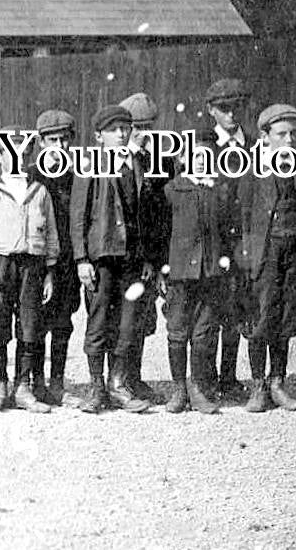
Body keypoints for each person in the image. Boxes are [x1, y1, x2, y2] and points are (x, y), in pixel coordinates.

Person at [70, 105, 160, 414]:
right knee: (98, 321)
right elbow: (78, 216)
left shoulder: (138, 163)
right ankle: (97, 388)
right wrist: (82, 258)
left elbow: (145, 215)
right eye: (114, 130)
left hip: (132, 259)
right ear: (99, 136)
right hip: (101, 258)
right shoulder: (90, 165)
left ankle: (118, 384)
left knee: (127, 322)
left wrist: (147, 257)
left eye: (125, 128)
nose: (121, 134)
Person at [236, 104, 296, 412]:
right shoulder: (250, 169)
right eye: (281, 134)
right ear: (264, 136)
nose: (288, 140)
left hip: (293, 253)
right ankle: (258, 385)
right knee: (261, 317)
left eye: (292, 134)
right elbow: (240, 216)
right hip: (263, 255)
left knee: (286, 317)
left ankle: (278, 382)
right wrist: (242, 261)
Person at [0, 126, 57, 414]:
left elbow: (51, 235)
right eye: (11, 154)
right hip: (0, 266)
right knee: (0, 325)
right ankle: (1, 385)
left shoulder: (40, 192)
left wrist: (49, 271)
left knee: (29, 324)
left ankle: (23, 386)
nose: (18, 159)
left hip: (32, 266)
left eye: (24, 154)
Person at [162, 128, 236, 414]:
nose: (202, 161)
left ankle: (198, 387)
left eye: (206, 155)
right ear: (183, 158)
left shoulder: (219, 191)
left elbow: (229, 232)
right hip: (180, 274)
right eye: (195, 155)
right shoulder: (172, 191)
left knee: (204, 332)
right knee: (177, 331)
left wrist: (225, 265)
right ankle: (179, 389)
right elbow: (161, 234)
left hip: (210, 273)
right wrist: (162, 271)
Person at [118, 92, 172, 405]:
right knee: (119, 321)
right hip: (121, 258)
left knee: (141, 318)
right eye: (136, 126)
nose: (142, 133)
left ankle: (134, 378)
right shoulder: (114, 164)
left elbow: (162, 215)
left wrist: (157, 260)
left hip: (147, 258)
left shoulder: (159, 163)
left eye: (148, 126)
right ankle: (118, 380)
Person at [203, 78, 251, 401]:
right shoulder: (202, 146)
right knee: (209, 311)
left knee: (236, 309)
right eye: (224, 109)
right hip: (213, 243)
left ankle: (230, 377)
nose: (231, 115)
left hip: (243, 242)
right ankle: (205, 379)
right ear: (211, 111)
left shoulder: (254, 147)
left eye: (236, 108)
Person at [32, 109, 81, 406]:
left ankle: (57, 383)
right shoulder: (31, 175)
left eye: (65, 140)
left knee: (63, 321)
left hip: (68, 261)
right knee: (36, 321)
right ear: (40, 142)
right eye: (53, 140)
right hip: (38, 262)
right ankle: (35, 383)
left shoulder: (78, 177)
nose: (59, 147)